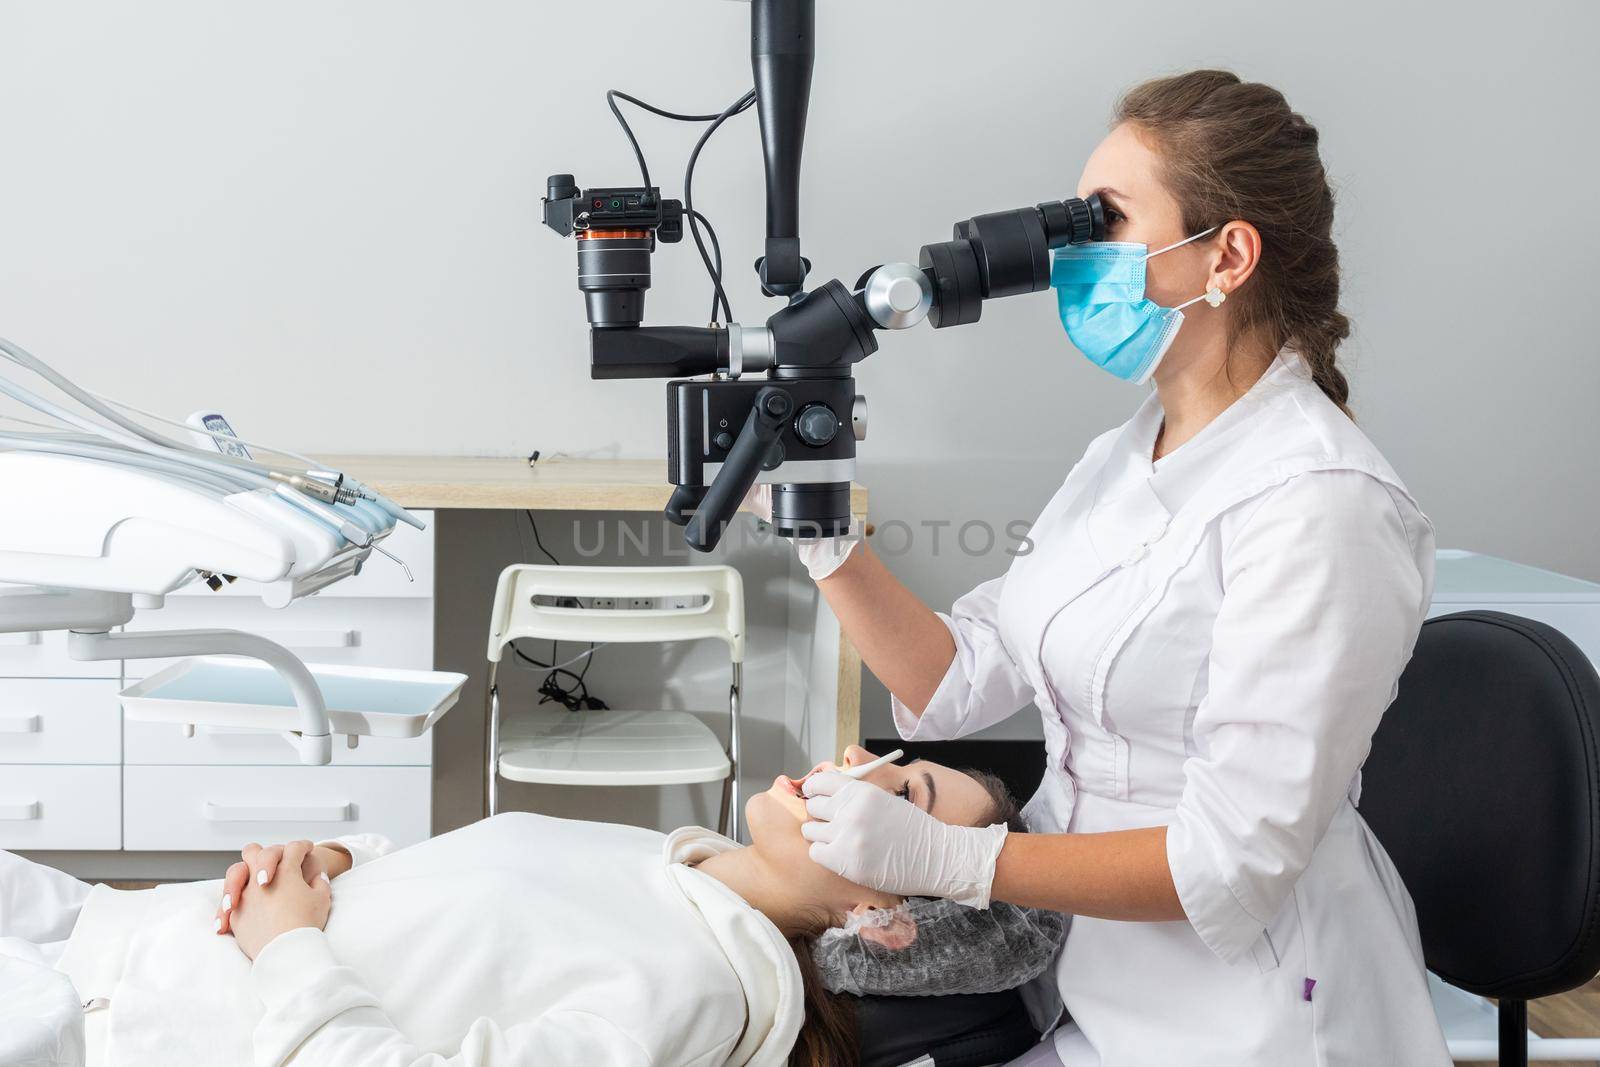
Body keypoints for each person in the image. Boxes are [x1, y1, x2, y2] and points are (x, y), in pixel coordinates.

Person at [775, 70, 1453, 1064]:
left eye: (1107, 219)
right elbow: (955, 676)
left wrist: (959, 860)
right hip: (1084, 985)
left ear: (1227, 253)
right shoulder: (1125, 453)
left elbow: (1229, 862)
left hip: (1251, 1017)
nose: (1075, 256)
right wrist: (818, 526)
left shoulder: (1321, 504)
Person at [0, 747, 1052, 1067]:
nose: (862, 763)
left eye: (901, 797)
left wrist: (286, 950)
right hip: (104, 926)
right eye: (898, 756)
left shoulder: (691, 992)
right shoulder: (663, 864)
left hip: (89, 1027)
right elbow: (447, 905)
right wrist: (333, 858)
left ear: (885, 920)